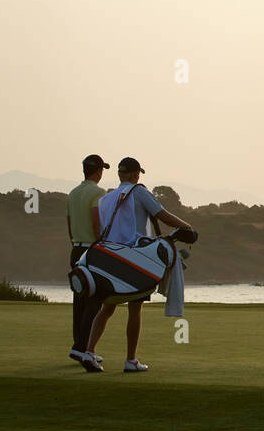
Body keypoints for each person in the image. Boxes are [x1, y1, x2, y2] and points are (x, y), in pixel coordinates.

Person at [84, 157, 193, 373]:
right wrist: (186, 226)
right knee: (135, 307)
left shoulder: (106, 198)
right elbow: (162, 215)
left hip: (110, 258)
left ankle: (88, 351)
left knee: (107, 306)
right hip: (135, 258)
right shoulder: (139, 192)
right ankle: (131, 360)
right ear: (135, 175)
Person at [66, 154, 109, 369]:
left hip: (76, 249)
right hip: (92, 252)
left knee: (80, 300)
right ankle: (82, 347)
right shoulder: (99, 192)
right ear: (98, 171)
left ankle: (79, 346)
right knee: (94, 301)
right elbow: (96, 222)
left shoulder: (73, 193)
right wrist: (102, 245)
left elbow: (69, 223)